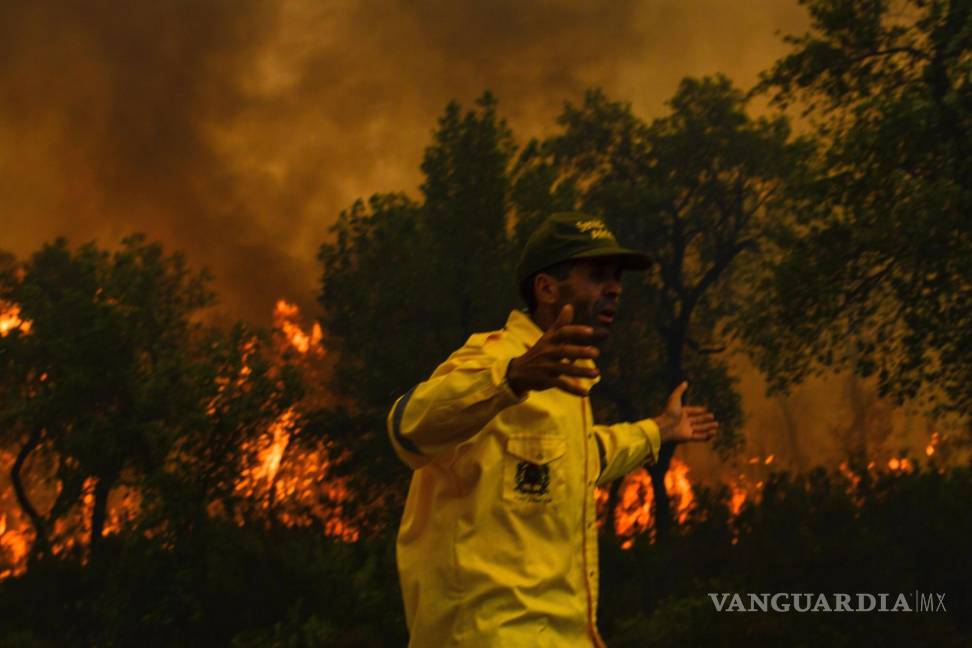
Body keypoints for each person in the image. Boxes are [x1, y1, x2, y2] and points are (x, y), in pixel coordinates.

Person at [387, 212, 719, 647]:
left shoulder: (565, 379)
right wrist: (511, 379)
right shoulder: (493, 359)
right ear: (546, 288)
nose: (614, 288)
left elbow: (580, 456)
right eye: (598, 275)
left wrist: (659, 430)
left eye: (617, 278)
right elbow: (406, 428)